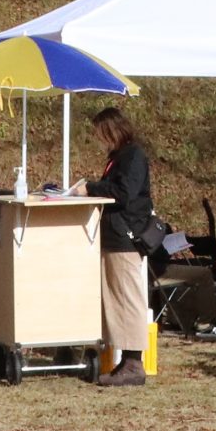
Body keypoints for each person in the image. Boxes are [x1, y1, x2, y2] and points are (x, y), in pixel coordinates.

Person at [81, 107, 153, 388]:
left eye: (101, 133)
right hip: (115, 234)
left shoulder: (132, 156)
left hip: (126, 235)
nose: (98, 139)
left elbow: (123, 193)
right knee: (117, 298)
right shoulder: (119, 157)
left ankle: (134, 362)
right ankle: (126, 359)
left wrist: (91, 189)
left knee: (127, 298)